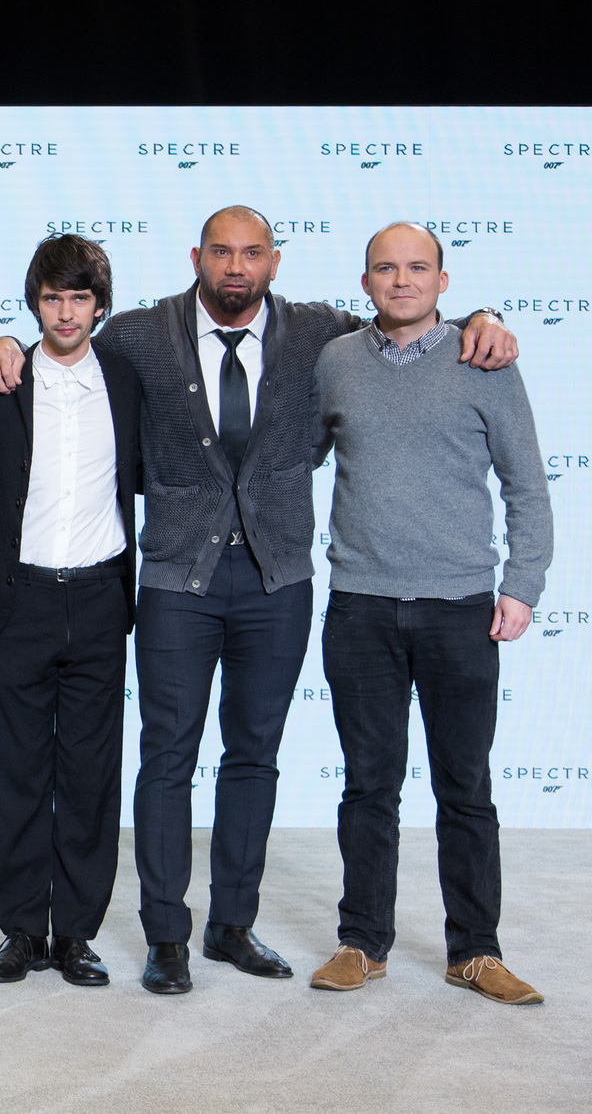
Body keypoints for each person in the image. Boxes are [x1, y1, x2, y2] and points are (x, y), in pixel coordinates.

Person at [0, 206, 517, 995]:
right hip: (173, 581)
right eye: (222, 251)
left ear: (274, 259)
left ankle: (233, 923)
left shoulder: (319, 333)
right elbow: (61, 342)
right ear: (196, 255)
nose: (236, 266)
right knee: (167, 758)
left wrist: (483, 320)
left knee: (253, 755)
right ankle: (167, 936)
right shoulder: (136, 333)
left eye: (252, 252)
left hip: (276, 580)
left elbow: (405, 321)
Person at [307, 222, 550, 1005]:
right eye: (386, 267)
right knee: (367, 785)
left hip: (459, 608)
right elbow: (300, 457)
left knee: (465, 787)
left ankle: (474, 950)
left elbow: (527, 486)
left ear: (444, 282)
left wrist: (523, 585)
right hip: (362, 606)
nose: (401, 279)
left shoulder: (484, 359)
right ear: (366, 279)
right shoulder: (336, 361)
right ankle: (361, 941)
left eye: (418, 268)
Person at [0, 235, 141, 989]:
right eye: (50, 298)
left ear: (99, 305)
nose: (64, 312)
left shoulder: (129, 378)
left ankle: (75, 932)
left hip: (101, 595)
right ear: (33, 303)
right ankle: (18, 930)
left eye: (78, 298)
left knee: (93, 775)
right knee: (18, 774)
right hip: (22, 596)